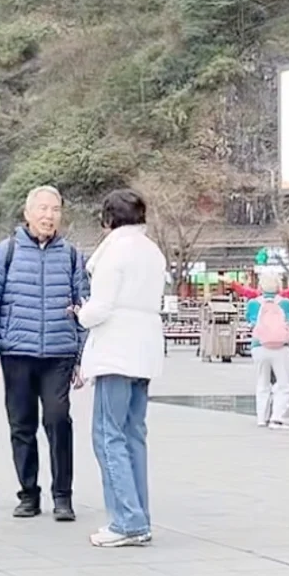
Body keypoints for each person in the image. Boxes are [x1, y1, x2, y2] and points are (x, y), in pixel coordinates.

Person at [0, 185, 90, 520]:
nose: (48, 215)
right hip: (17, 352)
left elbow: (83, 307)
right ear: (27, 213)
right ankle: (28, 493)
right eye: (42, 208)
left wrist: (82, 357)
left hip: (59, 353)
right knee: (21, 425)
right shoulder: (5, 252)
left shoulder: (71, 255)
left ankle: (62, 495)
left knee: (58, 420)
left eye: (54, 209)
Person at [77, 189, 165, 548]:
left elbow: (100, 307)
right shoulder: (152, 251)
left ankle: (126, 520)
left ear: (108, 220)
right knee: (133, 434)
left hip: (116, 350)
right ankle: (139, 515)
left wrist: (81, 313)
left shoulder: (114, 252)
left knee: (107, 434)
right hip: (145, 350)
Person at [246, 267, 289, 429]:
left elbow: (250, 322)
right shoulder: (285, 303)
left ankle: (261, 417)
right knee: (283, 383)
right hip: (281, 346)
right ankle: (276, 417)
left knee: (262, 382)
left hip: (259, 346)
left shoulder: (253, 303)